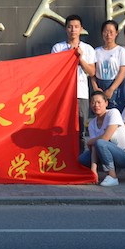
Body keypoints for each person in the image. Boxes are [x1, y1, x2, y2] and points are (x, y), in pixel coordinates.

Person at [51, 14, 96, 150]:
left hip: (81, 93)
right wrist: (68, 57)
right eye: (70, 27)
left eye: (76, 27)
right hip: (63, 94)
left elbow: (92, 72)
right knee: (61, 129)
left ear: (81, 29)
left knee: (80, 130)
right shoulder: (58, 48)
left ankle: (80, 159)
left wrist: (80, 58)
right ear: (66, 29)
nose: (73, 30)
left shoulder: (88, 49)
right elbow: (54, 71)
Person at [79, 91, 125, 187]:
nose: (96, 105)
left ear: (106, 103)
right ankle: (105, 170)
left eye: (99, 102)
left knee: (100, 142)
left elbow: (105, 138)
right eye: (93, 102)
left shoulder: (113, 113)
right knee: (82, 159)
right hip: (105, 150)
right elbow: (94, 148)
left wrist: (91, 141)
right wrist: (93, 170)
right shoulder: (92, 123)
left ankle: (112, 176)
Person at [91, 20, 125, 110]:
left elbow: (122, 72)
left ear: (116, 33)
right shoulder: (97, 51)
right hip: (100, 86)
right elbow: (92, 72)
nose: (108, 35)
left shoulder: (120, 50)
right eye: (106, 31)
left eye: (111, 32)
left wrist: (111, 89)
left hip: (115, 86)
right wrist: (95, 87)